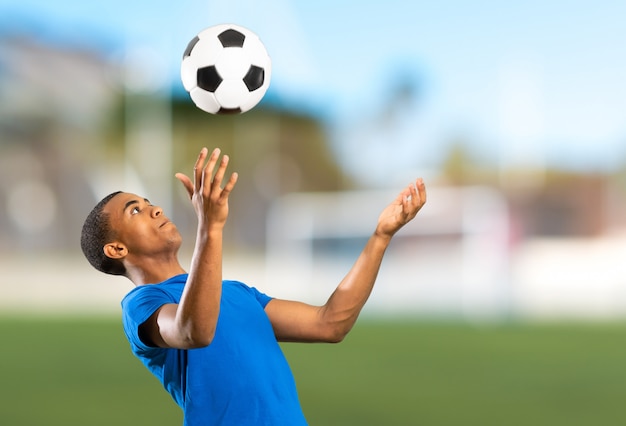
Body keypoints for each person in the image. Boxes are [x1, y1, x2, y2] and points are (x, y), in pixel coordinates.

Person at [80, 147, 427, 426]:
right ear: (116, 249)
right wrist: (210, 229)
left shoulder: (236, 292)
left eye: (148, 201)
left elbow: (330, 323)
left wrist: (381, 235)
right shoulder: (141, 305)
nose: (154, 208)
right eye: (135, 210)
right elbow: (194, 331)